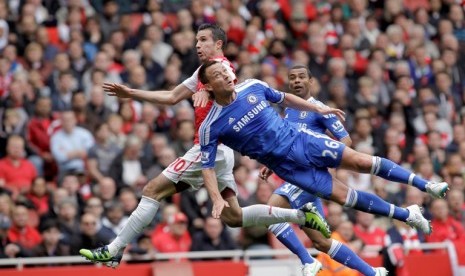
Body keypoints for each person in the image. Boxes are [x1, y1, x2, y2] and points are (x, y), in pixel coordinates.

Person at [79, 24, 328, 270]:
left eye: (203, 40)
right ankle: (302, 216)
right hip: (222, 151)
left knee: (152, 190)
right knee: (234, 217)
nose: (198, 44)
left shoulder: (223, 68)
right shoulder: (201, 73)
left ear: (218, 44)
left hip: (208, 148)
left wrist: (207, 94)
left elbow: (229, 87)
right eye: (197, 40)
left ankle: (113, 250)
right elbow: (171, 97)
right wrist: (131, 93)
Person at [197, 61, 448, 246]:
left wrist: (322, 111)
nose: (226, 74)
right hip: (288, 167)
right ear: (208, 86)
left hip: (306, 144)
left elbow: (289, 102)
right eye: (218, 74)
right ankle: (408, 215)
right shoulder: (211, 126)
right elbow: (208, 164)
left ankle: (426, 185)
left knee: (360, 161)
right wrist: (217, 198)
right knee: (343, 200)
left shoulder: (254, 87)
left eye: (225, 70)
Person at [264, 65, 387, 276]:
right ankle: (372, 272)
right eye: (292, 78)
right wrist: (271, 164)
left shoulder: (320, 108)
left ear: (311, 82)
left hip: (308, 175)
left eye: (301, 77)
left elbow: (345, 141)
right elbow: (287, 144)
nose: (296, 81)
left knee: (271, 213)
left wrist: (325, 161)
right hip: (298, 176)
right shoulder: (289, 110)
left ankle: (307, 261)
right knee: (322, 243)